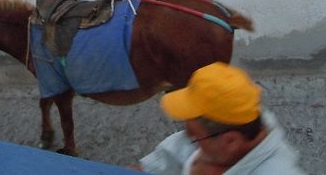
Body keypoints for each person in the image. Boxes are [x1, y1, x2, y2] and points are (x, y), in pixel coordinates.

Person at [131, 62, 305, 174]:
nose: (188, 137)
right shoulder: (219, 133)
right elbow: (157, 163)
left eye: (193, 133)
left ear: (230, 141)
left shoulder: (276, 171)